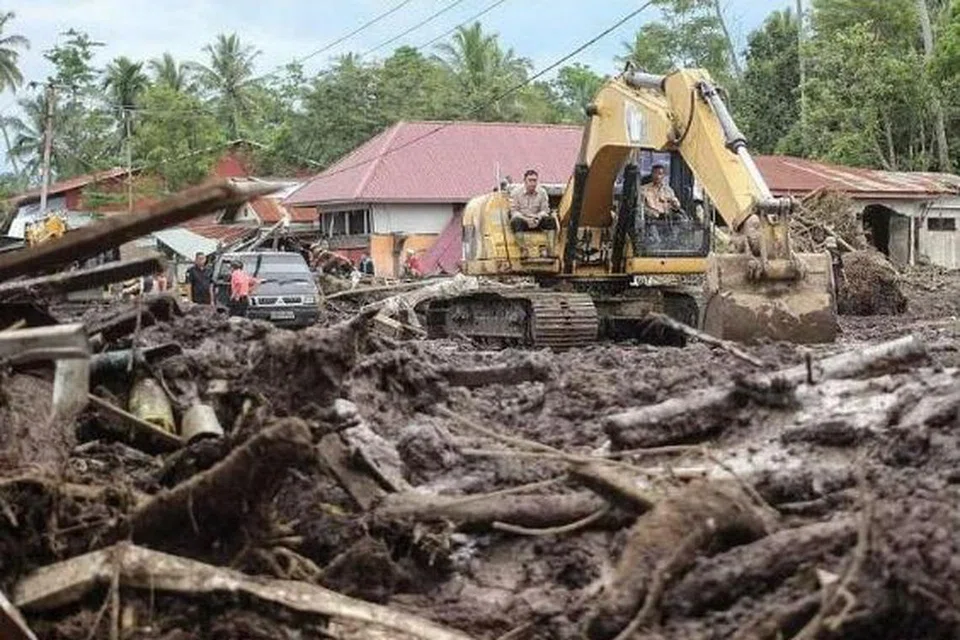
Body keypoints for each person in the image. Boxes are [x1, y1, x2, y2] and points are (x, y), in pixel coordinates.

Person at [508, 169, 556, 233]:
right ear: (525, 181)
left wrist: (538, 217)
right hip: (523, 220)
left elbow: (545, 210)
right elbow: (514, 212)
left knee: (550, 220)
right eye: (530, 180)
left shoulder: (542, 192)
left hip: (537, 219)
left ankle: (551, 242)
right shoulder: (516, 192)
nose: (532, 183)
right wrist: (526, 219)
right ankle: (521, 243)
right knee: (516, 222)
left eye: (534, 180)